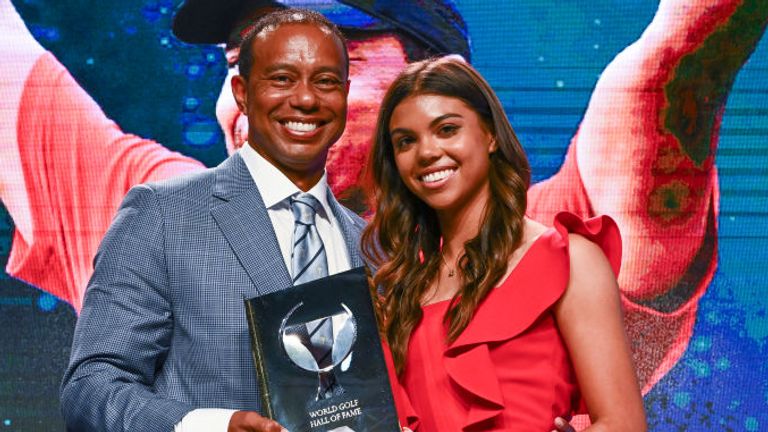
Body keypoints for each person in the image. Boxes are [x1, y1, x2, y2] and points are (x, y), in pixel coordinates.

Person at [2, 0, 765, 397]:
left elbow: (677, 69)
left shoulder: (551, 257)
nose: (255, 100)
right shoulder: (160, 224)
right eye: (242, 67)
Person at [60, 10, 366, 432]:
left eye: (326, 82)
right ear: (241, 92)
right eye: (280, 79)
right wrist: (210, 426)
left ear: (344, 95)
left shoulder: (375, 247)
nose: (306, 99)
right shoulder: (161, 215)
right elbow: (92, 387)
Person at [362, 55, 647, 431]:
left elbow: (623, 423)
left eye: (447, 129)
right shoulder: (401, 288)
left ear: (491, 135)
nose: (427, 152)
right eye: (406, 141)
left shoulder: (569, 259)